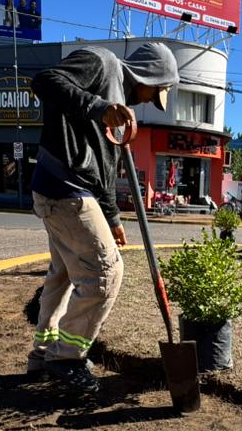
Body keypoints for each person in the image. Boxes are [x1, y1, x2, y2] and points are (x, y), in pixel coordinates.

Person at [27, 42, 180, 393]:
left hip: (68, 190)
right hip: (64, 187)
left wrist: (112, 217)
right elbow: (45, 81)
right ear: (148, 77)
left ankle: (44, 354)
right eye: (154, 92)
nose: (149, 101)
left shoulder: (119, 107)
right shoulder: (102, 62)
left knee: (63, 275)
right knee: (106, 273)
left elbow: (106, 170)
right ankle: (66, 358)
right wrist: (98, 107)